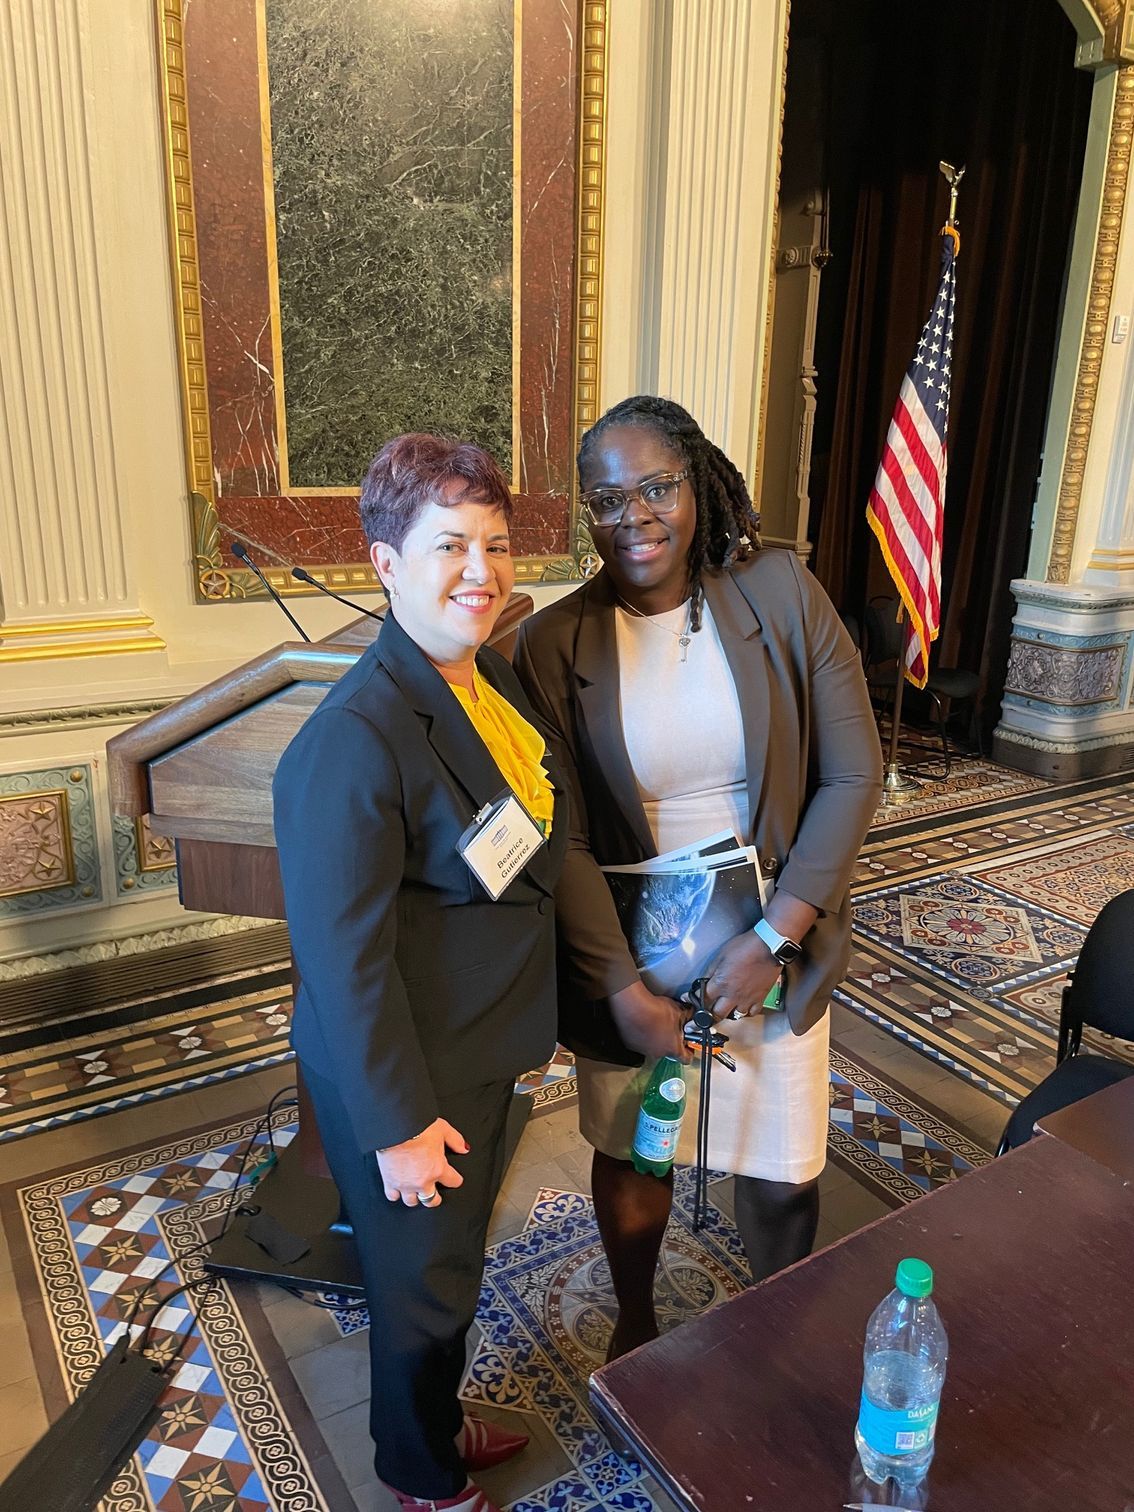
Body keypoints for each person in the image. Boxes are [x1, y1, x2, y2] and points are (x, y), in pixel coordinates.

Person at [515, 395, 881, 1359]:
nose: (632, 516)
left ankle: (777, 1339)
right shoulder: (554, 643)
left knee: (779, 1158)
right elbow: (566, 840)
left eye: (657, 488)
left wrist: (776, 938)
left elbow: (853, 773)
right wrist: (622, 992)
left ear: (696, 481)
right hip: (633, 950)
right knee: (638, 1145)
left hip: (773, 934)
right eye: (605, 498)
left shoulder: (780, 591)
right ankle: (634, 1329)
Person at [273, 434, 566, 1512]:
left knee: (449, 1270)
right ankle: (419, 1473)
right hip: (409, 1079)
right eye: (449, 544)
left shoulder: (476, 687)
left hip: (477, 1050)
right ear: (385, 560)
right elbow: (344, 966)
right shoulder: (353, 738)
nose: (481, 570)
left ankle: (433, 1421)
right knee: (422, 1293)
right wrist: (394, 1126)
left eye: (494, 542)